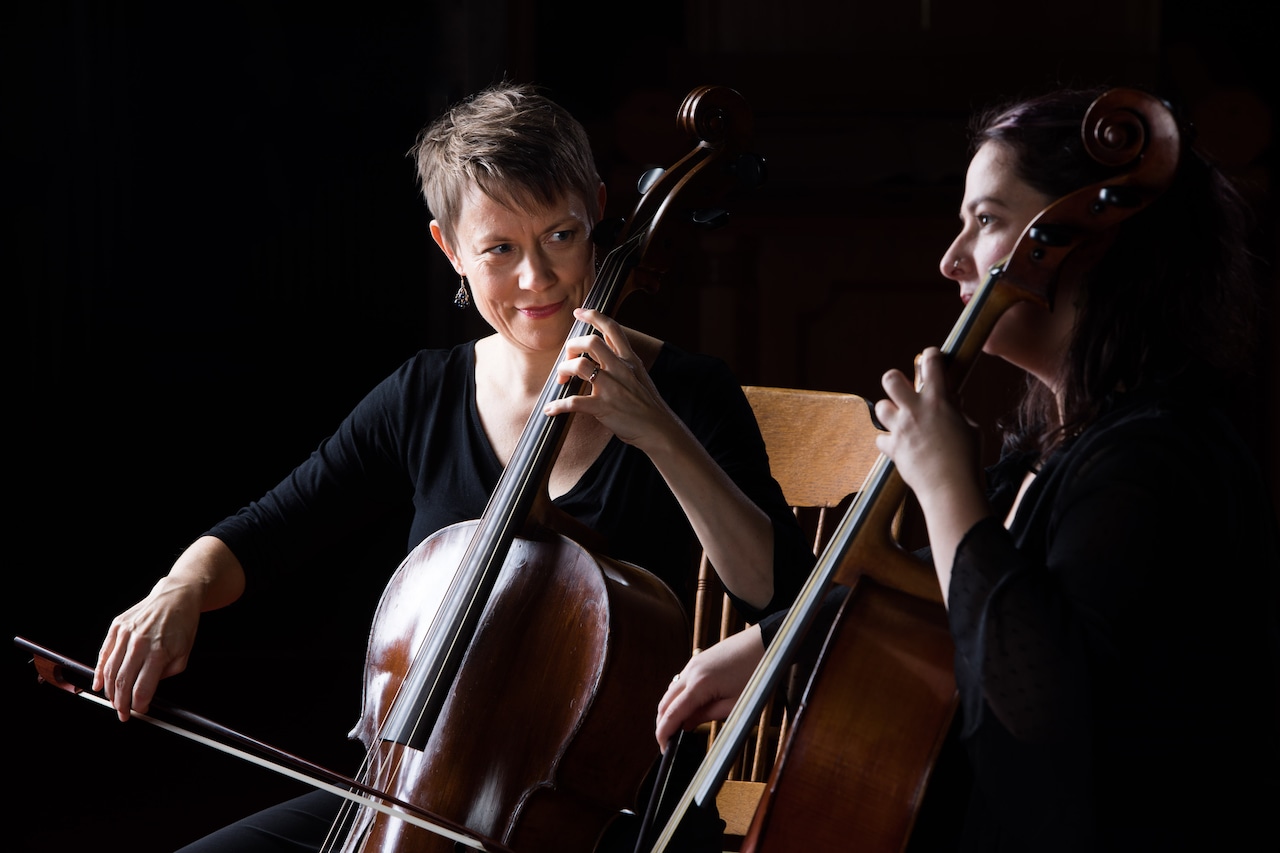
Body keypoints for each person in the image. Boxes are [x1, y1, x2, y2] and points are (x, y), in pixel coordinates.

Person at [91, 81, 814, 853]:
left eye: (561, 235)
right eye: (500, 249)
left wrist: (661, 433)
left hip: (602, 818)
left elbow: (781, 594)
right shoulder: (424, 395)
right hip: (414, 795)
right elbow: (267, 530)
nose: (537, 278)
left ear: (598, 208)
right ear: (450, 250)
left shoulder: (689, 393)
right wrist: (180, 590)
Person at [655, 85, 1280, 851]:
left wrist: (945, 482)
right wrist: (770, 642)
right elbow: (928, 594)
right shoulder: (1053, 451)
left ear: (1087, 242)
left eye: (985, 221)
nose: (951, 259)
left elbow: (1036, 710)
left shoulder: (1156, 460)